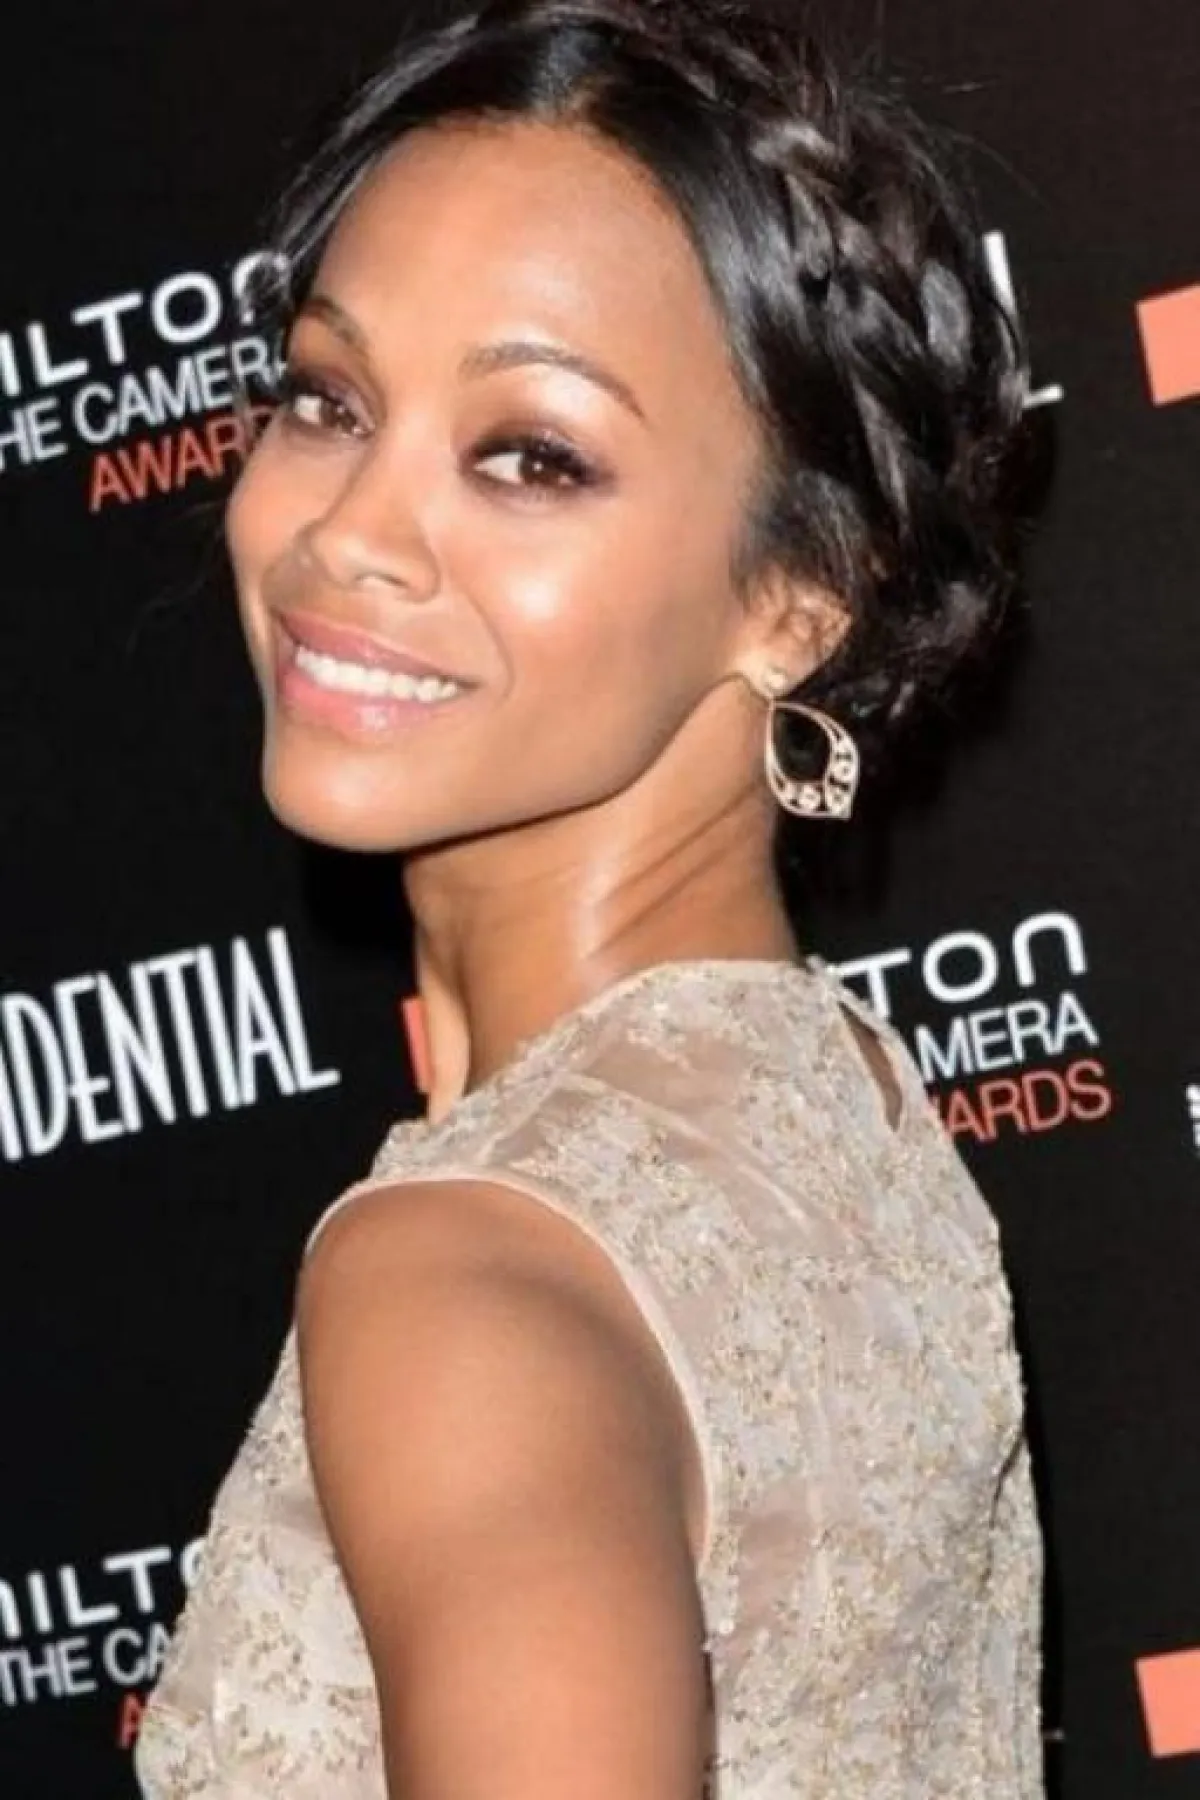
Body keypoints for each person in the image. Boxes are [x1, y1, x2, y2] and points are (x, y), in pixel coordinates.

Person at [135, 0, 1044, 1792]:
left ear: (799, 596)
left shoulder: (463, 1269)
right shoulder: (841, 1101)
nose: (345, 535)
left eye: (530, 455)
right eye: (328, 399)